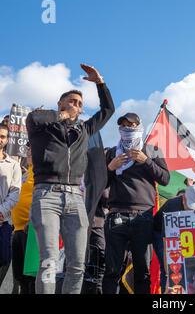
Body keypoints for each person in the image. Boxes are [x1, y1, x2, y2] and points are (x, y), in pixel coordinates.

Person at [26, 64, 115, 294]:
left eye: (80, 104)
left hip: (76, 197)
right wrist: (63, 116)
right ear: (60, 103)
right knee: (49, 260)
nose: (77, 106)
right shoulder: (41, 126)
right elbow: (34, 117)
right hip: (46, 195)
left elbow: (108, 110)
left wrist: (100, 83)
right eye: (72, 101)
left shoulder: (84, 130)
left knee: (77, 264)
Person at [102, 112, 170, 294]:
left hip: (143, 216)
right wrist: (110, 168)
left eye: (131, 125)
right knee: (112, 270)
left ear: (139, 126)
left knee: (142, 271)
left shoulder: (152, 150)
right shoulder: (111, 153)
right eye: (124, 125)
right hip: (116, 215)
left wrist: (146, 160)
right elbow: (100, 184)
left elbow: (165, 179)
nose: (127, 128)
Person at [153, 184, 195, 293]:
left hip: (186, 234)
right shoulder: (171, 207)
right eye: (191, 207)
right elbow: (166, 245)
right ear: (183, 199)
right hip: (160, 234)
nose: (194, 211)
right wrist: (169, 273)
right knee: (170, 269)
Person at [10, 143, 35, 294]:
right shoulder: (25, 173)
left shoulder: (41, 173)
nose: (29, 153)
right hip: (17, 230)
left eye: (32, 150)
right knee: (20, 276)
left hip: (31, 230)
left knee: (31, 276)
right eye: (28, 150)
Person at [0, 123, 22, 288]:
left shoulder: (13, 165)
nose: (0, 139)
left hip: (3, 221)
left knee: (4, 259)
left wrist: (1, 211)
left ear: (7, 140)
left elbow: (15, 192)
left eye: (2, 137)